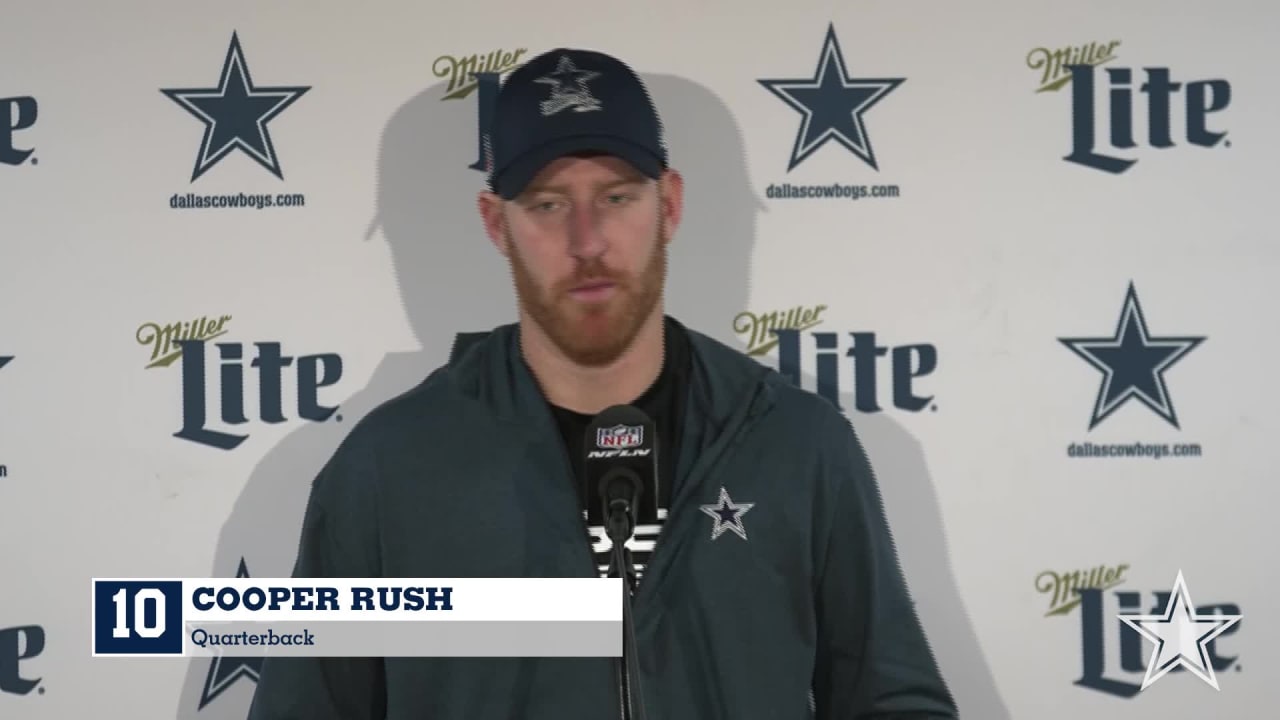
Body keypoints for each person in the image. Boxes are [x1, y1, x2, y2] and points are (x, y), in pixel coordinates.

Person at [246, 47, 958, 720]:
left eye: (616, 196)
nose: (587, 241)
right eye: (549, 204)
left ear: (670, 205)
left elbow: (892, 701)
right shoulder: (387, 469)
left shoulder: (797, 443)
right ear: (497, 224)